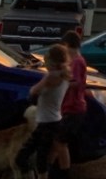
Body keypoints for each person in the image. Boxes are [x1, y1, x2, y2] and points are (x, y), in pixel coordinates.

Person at [16, 43, 70, 179]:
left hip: (47, 123)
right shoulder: (65, 75)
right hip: (55, 121)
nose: (45, 64)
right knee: (41, 158)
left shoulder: (51, 76)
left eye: (46, 61)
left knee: (27, 157)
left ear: (52, 61)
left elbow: (33, 91)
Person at [51, 31, 88, 179]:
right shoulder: (73, 61)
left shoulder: (78, 62)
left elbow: (77, 82)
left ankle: (63, 172)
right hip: (68, 107)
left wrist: (61, 82)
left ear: (67, 45)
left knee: (61, 142)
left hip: (73, 109)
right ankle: (48, 168)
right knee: (56, 141)